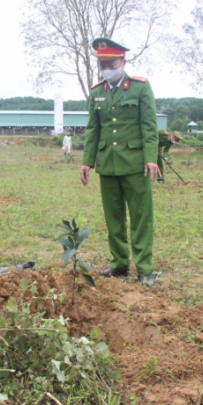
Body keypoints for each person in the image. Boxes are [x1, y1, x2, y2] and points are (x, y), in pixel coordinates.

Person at [80, 37, 161, 286]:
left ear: (123, 61)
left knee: (140, 216)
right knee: (113, 218)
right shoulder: (97, 92)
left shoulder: (140, 87)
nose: (106, 68)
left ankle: (144, 268)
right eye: (102, 64)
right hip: (108, 164)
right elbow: (93, 129)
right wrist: (87, 162)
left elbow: (149, 127)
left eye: (110, 63)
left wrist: (150, 159)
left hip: (136, 164)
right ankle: (119, 264)